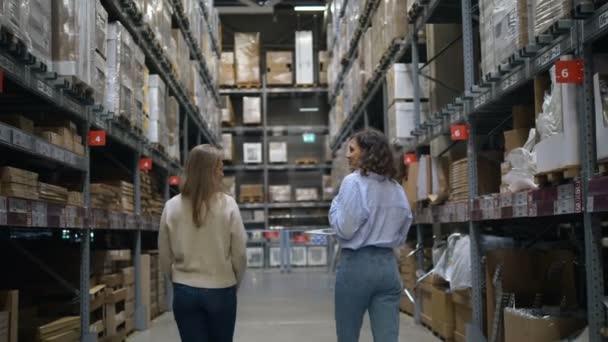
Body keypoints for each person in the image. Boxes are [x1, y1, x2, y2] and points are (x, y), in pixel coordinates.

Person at [329, 129, 413, 342]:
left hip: (357, 267)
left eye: (352, 149)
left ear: (367, 153)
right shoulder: (395, 188)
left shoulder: (353, 182)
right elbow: (404, 227)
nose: (347, 155)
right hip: (388, 266)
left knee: (348, 335)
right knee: (387, 337)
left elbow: (344, 228)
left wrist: (335, 206)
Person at [159, 144, 247, 342]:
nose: (223, 173)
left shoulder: (171, 207)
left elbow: (164, 254)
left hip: (184, 290)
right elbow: (239, 253)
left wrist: (177, 279)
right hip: (221, 288)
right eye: (219, 167)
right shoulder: (228, 205)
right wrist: (233, 281)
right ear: (208, 171)